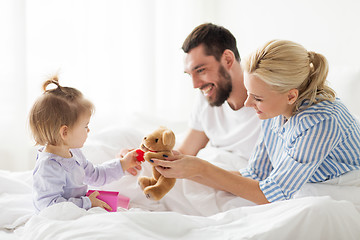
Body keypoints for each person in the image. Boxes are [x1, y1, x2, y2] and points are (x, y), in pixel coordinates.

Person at [152, 39, 360, 204]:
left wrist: (201, 169)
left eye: (257, 98)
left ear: (291, 96)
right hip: (306, 182)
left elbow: (274, 194)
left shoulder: (321, 123)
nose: (248, 103)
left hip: (345, 186)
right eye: (249, 93)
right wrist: (189, 169)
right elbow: (256, 174)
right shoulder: (274, 112)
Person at [123, 23, 261, 176]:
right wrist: (139, 157)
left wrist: (201, 170)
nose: (195, 85)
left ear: (228, 60)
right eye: (190, 74)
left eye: (201, 70)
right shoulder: (208, 96)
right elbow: (185, 152)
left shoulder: (268, 105)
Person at [29, 76, 141, 212]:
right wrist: (86, 202)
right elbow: (49, 206)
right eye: (85, 126)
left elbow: (95, 175)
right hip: (57, 219)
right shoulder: (49, 165)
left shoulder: (73, 153)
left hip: (75, 212)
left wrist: (123, 164)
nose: (88, 130)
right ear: (65, 132)